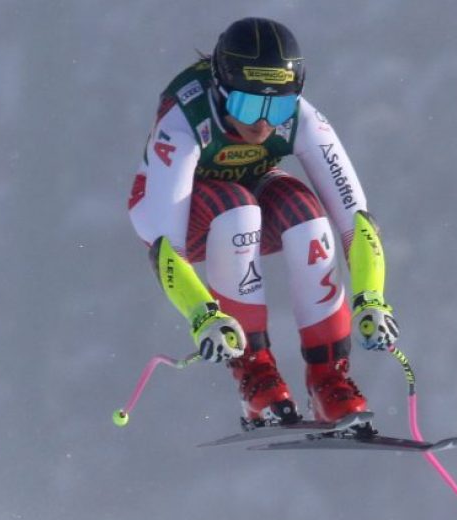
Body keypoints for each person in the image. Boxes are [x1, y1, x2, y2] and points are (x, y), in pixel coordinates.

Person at [127, 17, 400, 432]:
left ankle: (329, 381)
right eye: (249, 106)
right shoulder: (185, 121)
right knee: (238, 210)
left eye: (279, 107)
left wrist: (372, 299)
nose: (263, 124)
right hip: (177, 217)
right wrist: (203, 314)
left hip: (248, 192)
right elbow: (166, 247)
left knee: (306, 214)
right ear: (221, 91)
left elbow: (356, 221)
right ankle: (254, 377)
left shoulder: (302, 119)